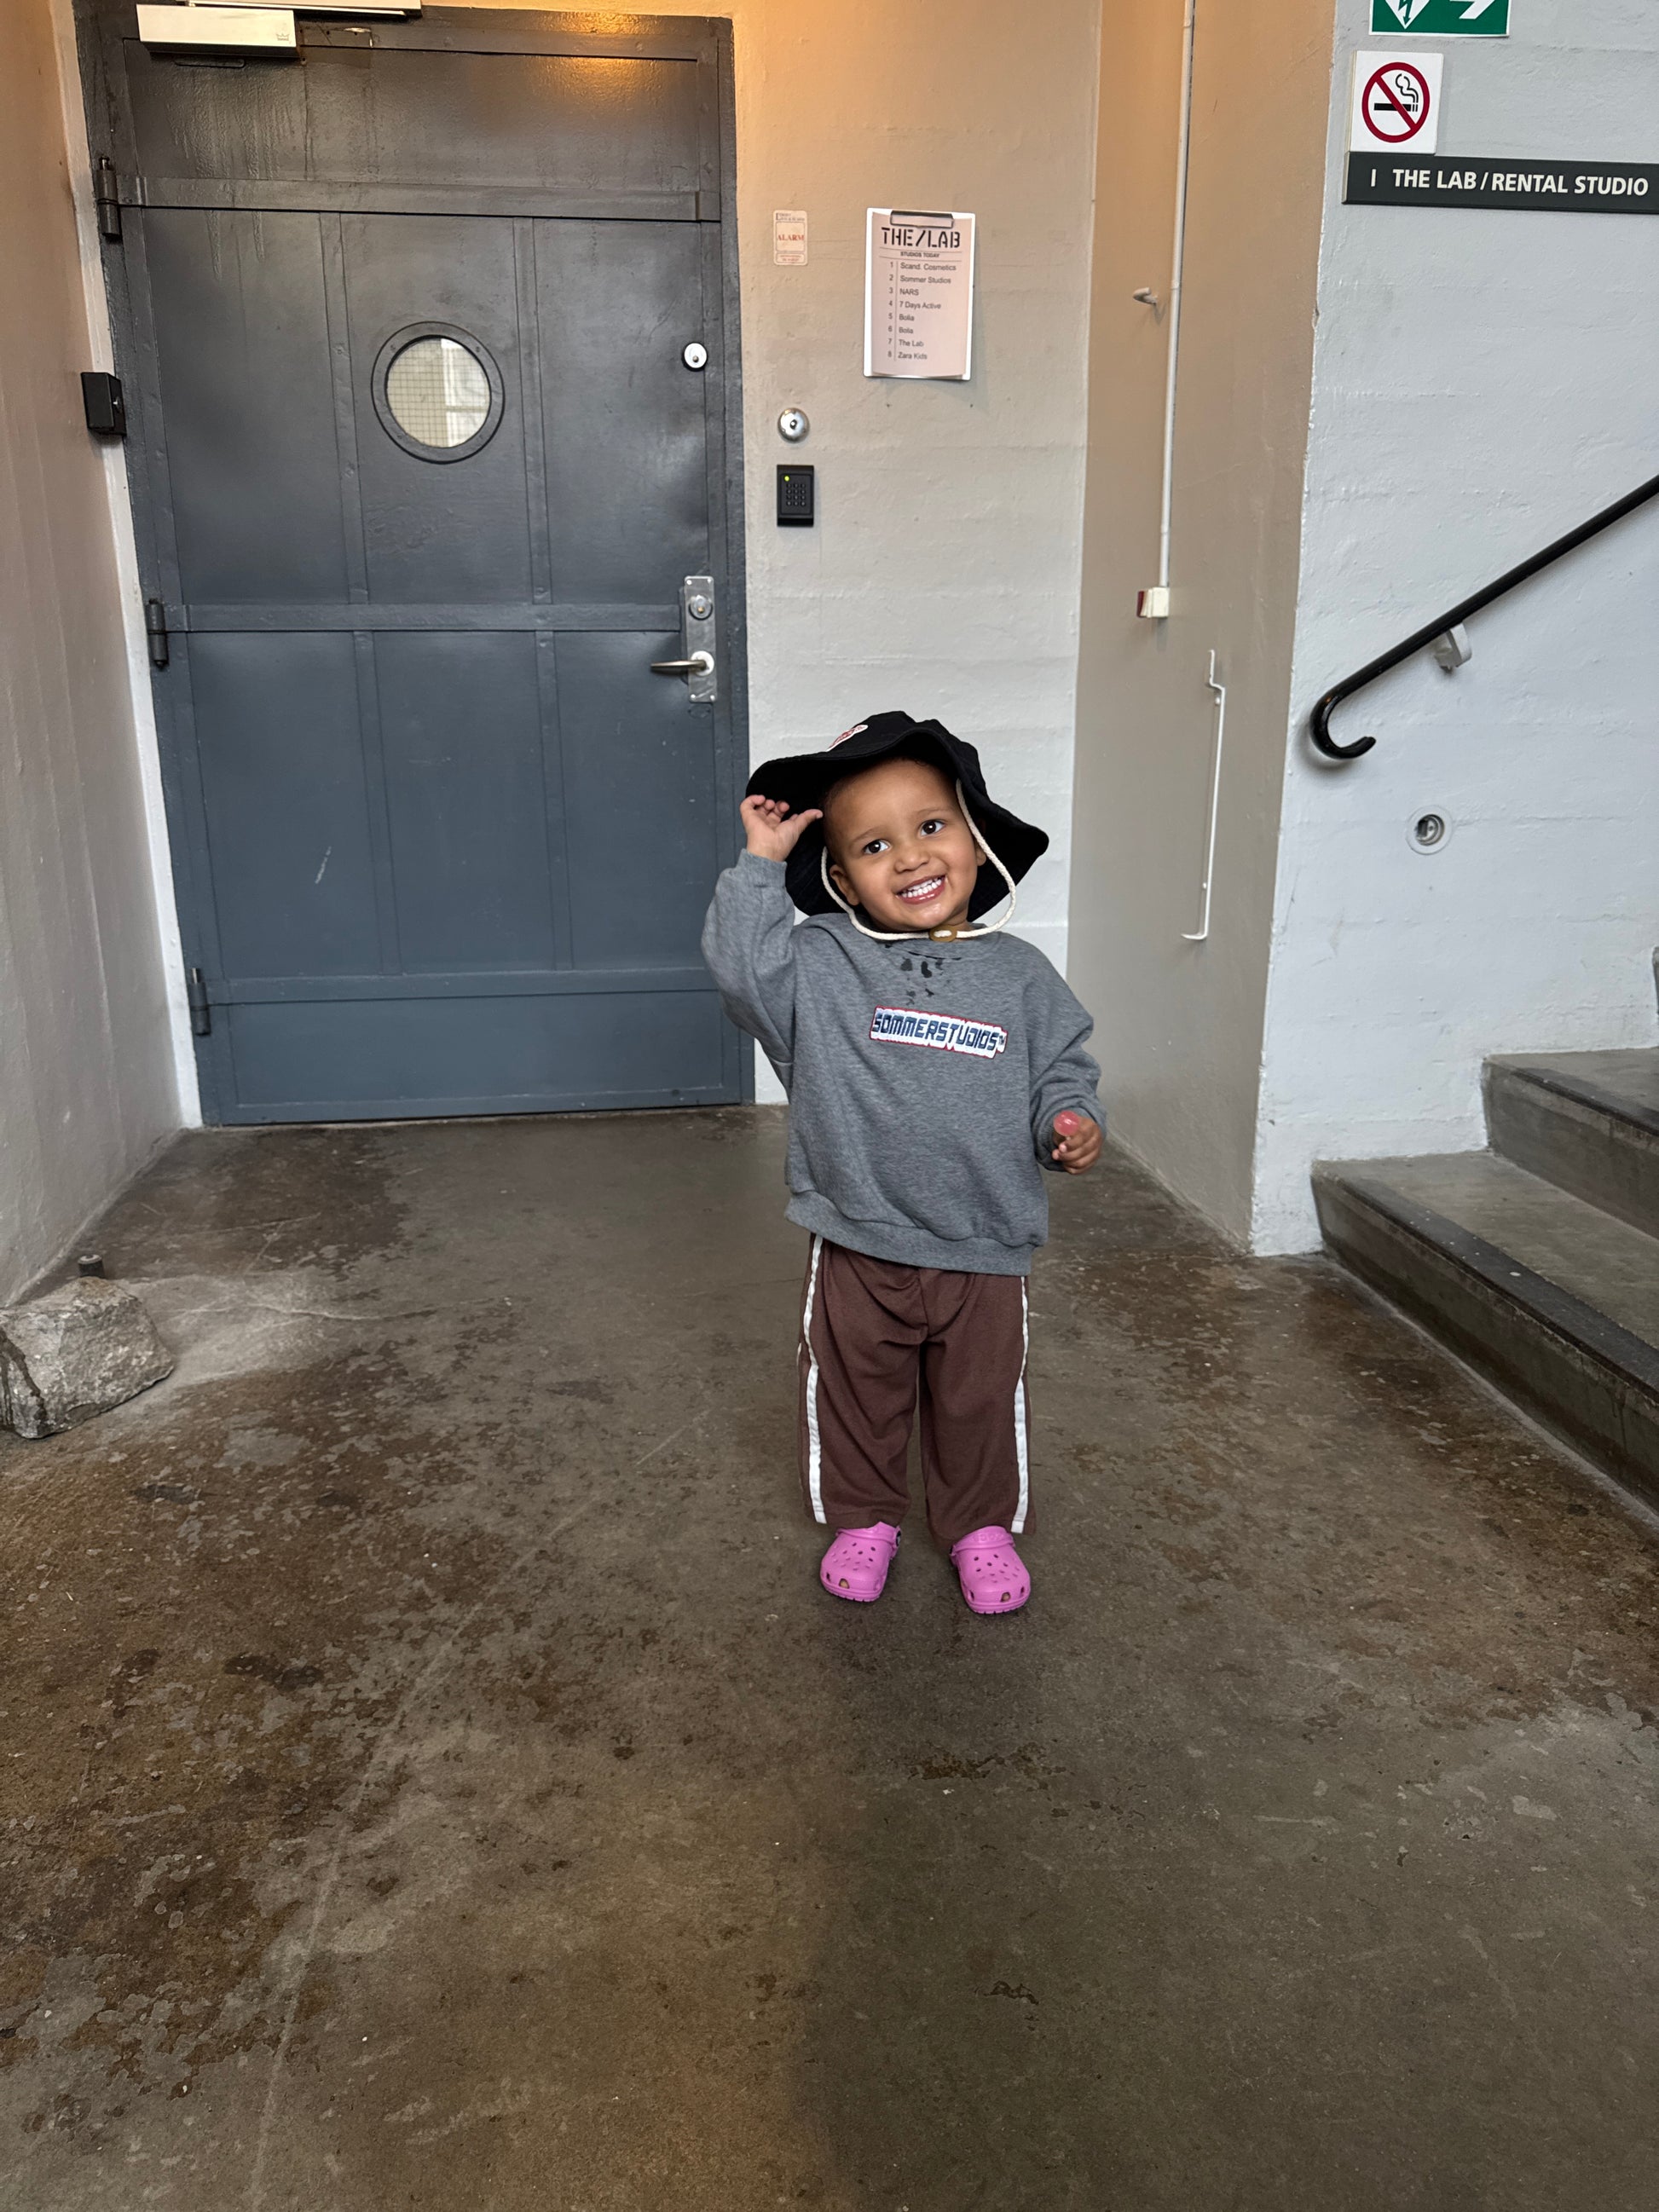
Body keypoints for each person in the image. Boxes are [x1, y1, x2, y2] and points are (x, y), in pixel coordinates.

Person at [701, 712, 1102, 1616]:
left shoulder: (1022, 974)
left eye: (929, 826)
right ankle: (865, 1517)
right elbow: (741, 971)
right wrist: (760, 864)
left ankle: (978, 1526)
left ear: (973, 836)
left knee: (978, 1400)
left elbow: (1061, 1069)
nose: (911, 857)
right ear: (842, 879)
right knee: (856, 1392)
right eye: (874, 846)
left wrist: (1068, 1119)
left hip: (984, 1244)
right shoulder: (820, 964)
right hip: (859, 1235)